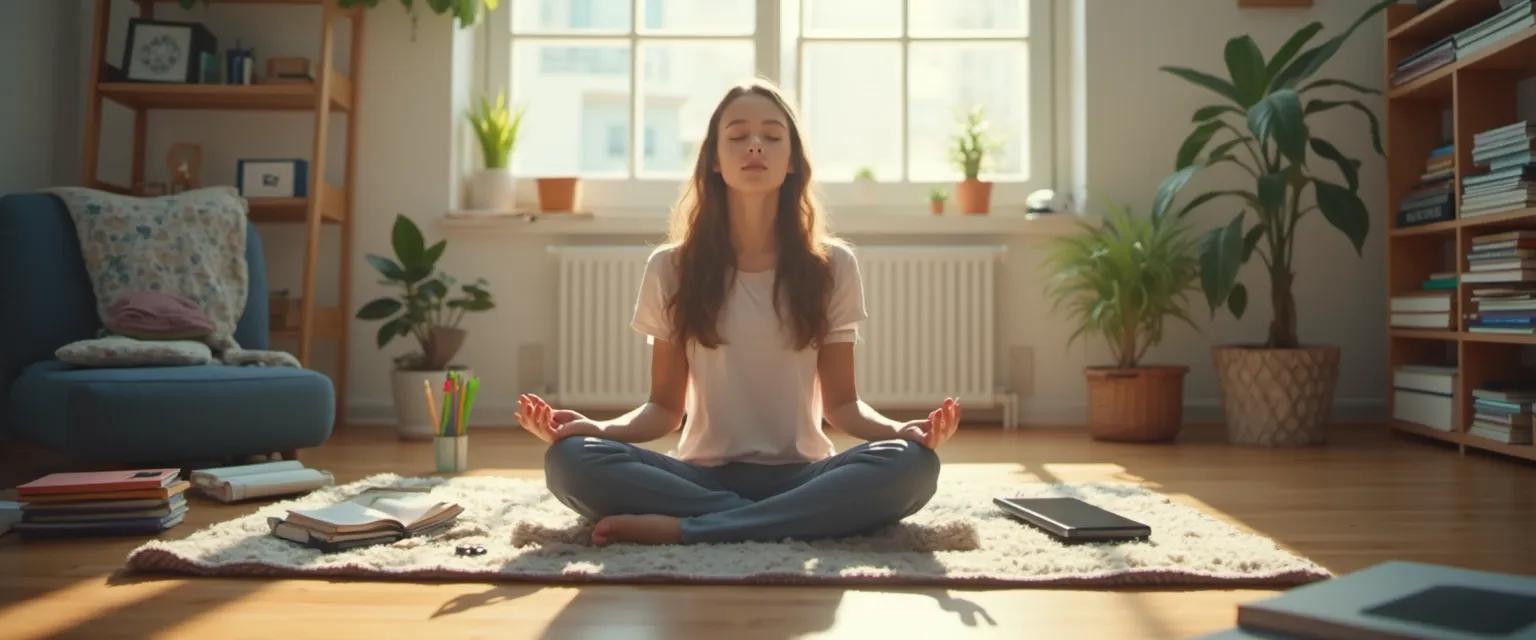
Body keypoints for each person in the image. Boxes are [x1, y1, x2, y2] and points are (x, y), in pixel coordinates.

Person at [516, 79, 962, 546]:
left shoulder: (834, 266)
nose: (754, 145)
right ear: (714, 159)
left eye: (771, 136)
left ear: (792, 161)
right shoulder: (671, 267)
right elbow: (664, 409)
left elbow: (842, 405)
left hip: (803, 473)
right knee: (570, 460)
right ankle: (780, 520)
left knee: (911, 465)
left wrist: (900, 430)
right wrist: (599, 429)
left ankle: (691, 528)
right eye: (737, 136)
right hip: (699, 477)